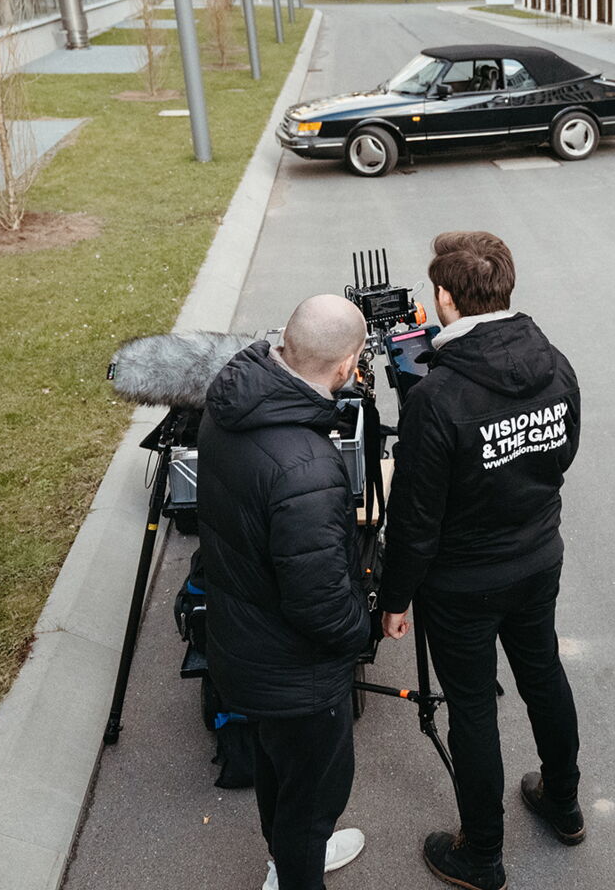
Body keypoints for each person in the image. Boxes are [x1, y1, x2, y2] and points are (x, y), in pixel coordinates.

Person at [380, 231, 584, 890]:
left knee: (472, 708)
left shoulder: (436, 399)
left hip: (462, 583)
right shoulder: (554, 362)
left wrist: (393, 599)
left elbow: (413, 522)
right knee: (543, 672)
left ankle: (482, 853)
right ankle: (564, 801)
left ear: (445, 298)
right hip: (537, 557)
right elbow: (563, 452)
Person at [198, 294, 372, 890]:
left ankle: (289, 859)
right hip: (296, 672)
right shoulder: (308, 468)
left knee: (279, 768)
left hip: (243, 646)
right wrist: (362, 629)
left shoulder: (231, 400)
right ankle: (298, 869)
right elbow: (320, 603)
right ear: (348, 364)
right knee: (312, 796)